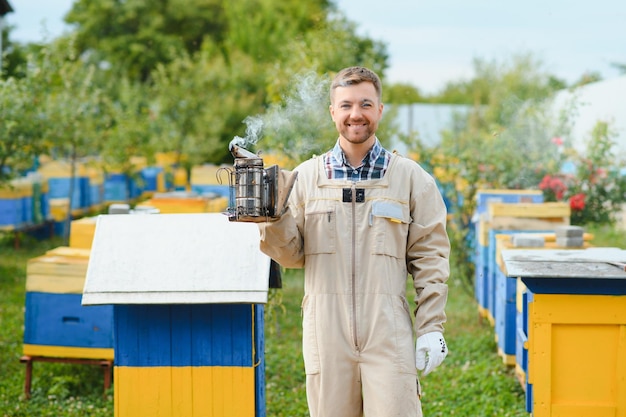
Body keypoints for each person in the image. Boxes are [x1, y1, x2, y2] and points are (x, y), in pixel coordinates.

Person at [258, 66, 450, 417]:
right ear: (333, 112)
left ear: (380, 109)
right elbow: (290, 255)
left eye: (365, 103)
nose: (355, 114)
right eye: (345, 105)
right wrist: (274, 218)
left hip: (387, 333)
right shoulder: (305, 178)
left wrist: (431, 327)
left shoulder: (410, 179)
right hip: (325, 332)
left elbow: (430, 257)